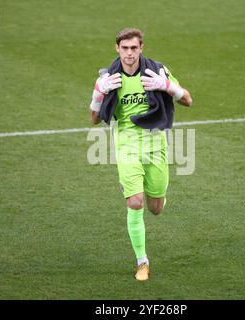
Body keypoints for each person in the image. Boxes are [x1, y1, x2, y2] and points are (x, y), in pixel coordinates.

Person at [88, 28, 192, 281]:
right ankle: (142, 261)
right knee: (135, 202)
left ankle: (157, 198)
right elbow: (93, 119)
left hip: (156, 143)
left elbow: (188, 100)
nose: (129, 54)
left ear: (141, 48)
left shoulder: (156, 70)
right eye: (124, 48)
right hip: (126, 144)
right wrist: (98, 93)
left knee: (155, 208)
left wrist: (166, 86)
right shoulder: (109, 78)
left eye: (134, 48)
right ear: (117, 49)